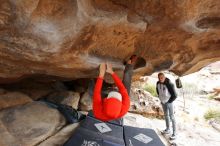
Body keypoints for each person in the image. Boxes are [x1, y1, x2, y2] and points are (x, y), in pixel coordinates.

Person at [93, 55, 137, 122]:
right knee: (126, 87)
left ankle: (104, 85)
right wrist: (111, 72)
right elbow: (122, 88)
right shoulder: (125, 107)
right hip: (118, 104)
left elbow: (97, 92)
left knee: (94, 90)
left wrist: (101, 74)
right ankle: (129, 65)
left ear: (106, 100)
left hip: (104, 99)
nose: (115, 90)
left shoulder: (98, 112)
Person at [156, 72, 177, 140]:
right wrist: (160, 98)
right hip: (163, 102)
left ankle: (174, 133)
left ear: (164, 77)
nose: (160, 79)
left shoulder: (169, 84)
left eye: (162, 78)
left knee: (172, 117)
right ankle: (168, 129)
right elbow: (158, 90)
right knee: (166, 115)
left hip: (169, 102)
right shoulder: (158, 83)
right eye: (159, 78)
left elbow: (175, 95)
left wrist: (169, 101)